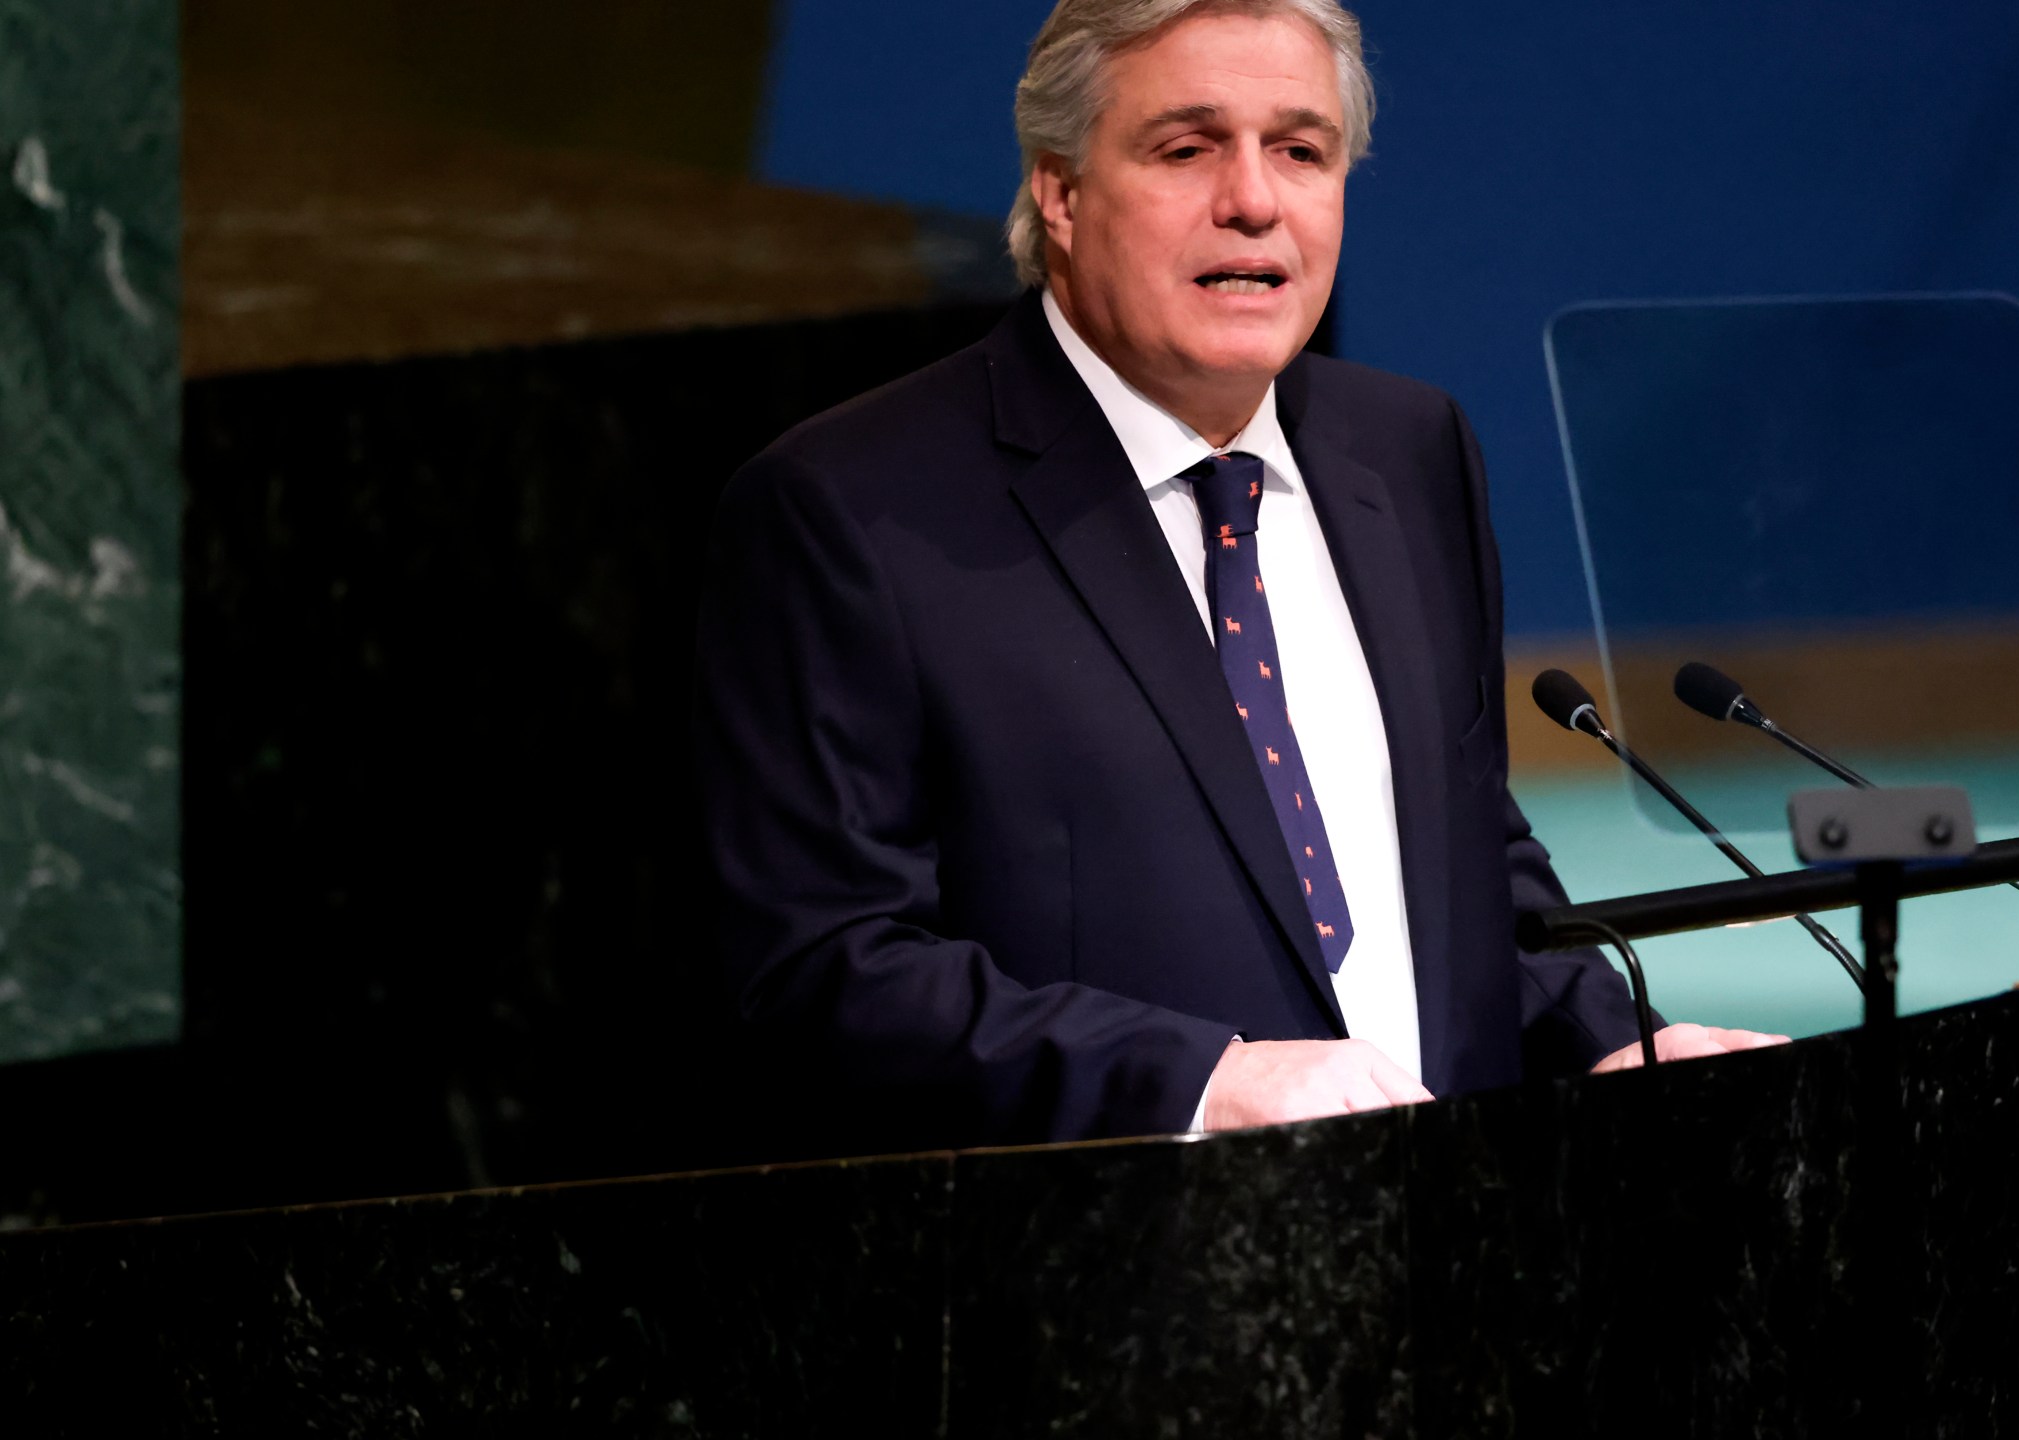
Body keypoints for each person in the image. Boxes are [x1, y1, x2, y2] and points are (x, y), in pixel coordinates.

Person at [695, 0, 1780, 1151]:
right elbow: (826, 969)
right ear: (1060, 191)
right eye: (1186, 148)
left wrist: (1613, 1037)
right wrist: (1201, 1085)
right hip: (1108, 1274)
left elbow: (1464, 870)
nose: (1254, 201)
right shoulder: (851, 508)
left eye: (1300, 151)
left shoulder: (1408, 452)